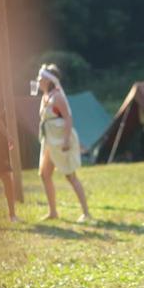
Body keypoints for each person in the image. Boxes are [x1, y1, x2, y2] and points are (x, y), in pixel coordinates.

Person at [36, 63, 91, 222]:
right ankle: (53, 212)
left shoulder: (57, 96)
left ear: (48, 80)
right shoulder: (46, 97)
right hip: (49, 141)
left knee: (70, 176)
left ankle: (86, 213)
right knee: (44, 174)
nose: (38, 81)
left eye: (40, 78)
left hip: (60, 139)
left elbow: (68, 118)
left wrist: (66, 140)